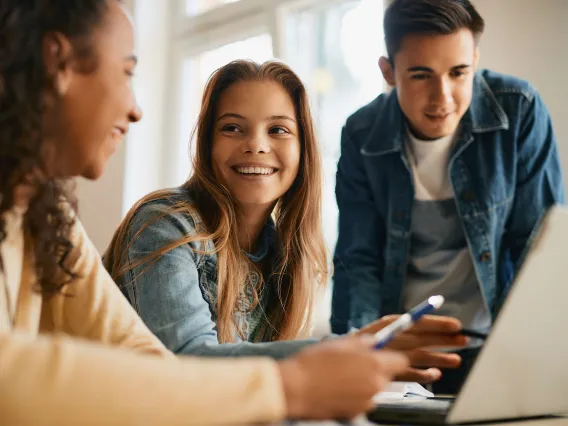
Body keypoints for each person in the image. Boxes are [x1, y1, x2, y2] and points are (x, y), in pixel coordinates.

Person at [0, 1, 416, 424]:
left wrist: (346, 355)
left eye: (278, 129)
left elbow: (143, 356)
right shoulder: (166, 223)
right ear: (59, 63)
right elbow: (12, 373)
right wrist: (295, 382)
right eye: (127, 73)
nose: (136, 109)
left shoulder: (47, 216)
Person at [103, 59, 467, 383]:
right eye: (232, 128)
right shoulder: (166, 224)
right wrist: (346, 349)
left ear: (302, 149)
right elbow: (188, 361)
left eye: (278, 130)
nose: (256, 145)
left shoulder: (284, 254)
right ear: (207, 144)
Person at [331, 0, 565, 394]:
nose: (443, 98)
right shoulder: (361, 133)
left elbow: (537, 247)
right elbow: (359, 260)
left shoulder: (520, 110)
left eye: (459, 73)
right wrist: (361, 355)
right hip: (404, 355)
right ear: (388, 72)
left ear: (475, 59)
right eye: (421, 75)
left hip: (498, 351)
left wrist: (537, 353)